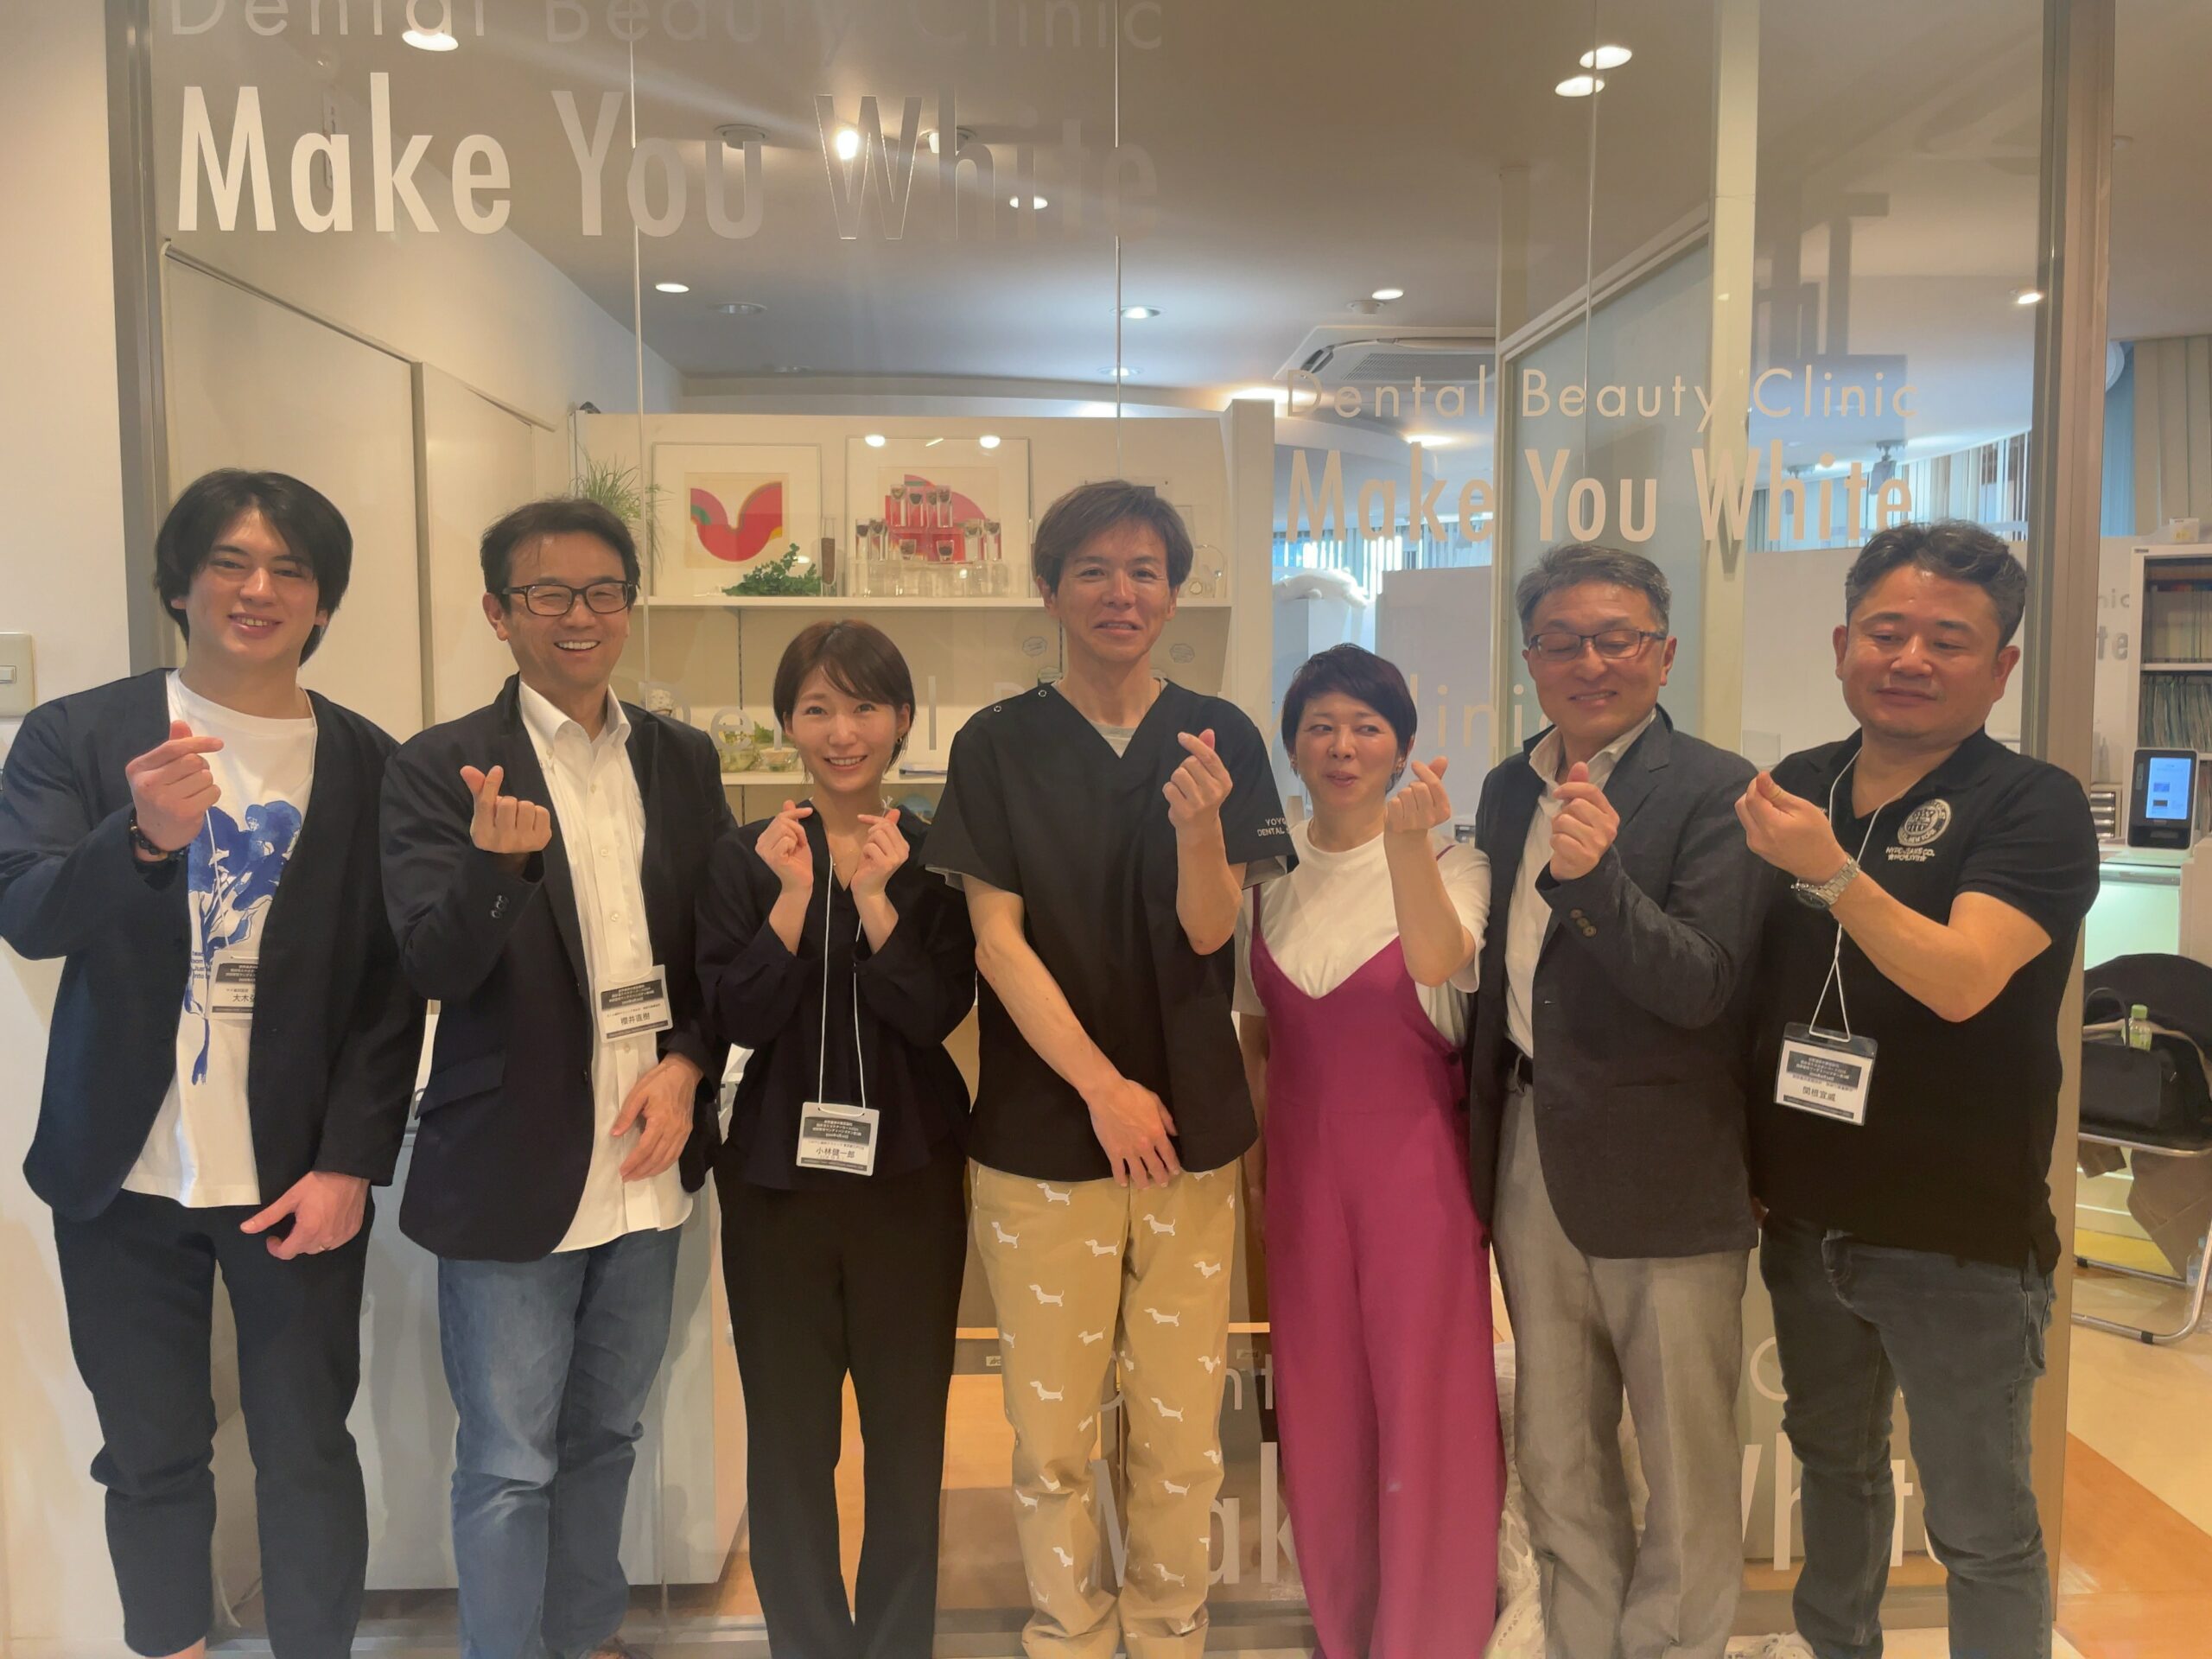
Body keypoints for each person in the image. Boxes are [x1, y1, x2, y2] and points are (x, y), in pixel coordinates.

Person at [0, 469, 423, 1659]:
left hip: (295, 1179)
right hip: (120, 1174)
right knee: (149, 1454)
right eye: (230, 561)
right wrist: (141, 840)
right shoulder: (80, 735)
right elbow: (27, 913)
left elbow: (390, 988)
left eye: (291, 569)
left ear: (324, 602)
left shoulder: (372, 762)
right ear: (179, 584)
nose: (258, 588)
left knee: (306, 1451)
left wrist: (351, 1162)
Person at [925, 480, 1292, 1658]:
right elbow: (996, 942)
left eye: (1144, 571)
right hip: (1043, 1132)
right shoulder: (996, 743)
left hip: (1191, 1131)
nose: (1120, 592)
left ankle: (1170, 1631)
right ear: (1050, 591)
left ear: (1174, 595)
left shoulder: (1220, 736)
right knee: (1052, 1436)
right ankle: (1069, 1633)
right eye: (1093, 569)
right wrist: (1103, 1089)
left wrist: (1198, 830)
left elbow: (1209, 935)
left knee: (1181, 1434)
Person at [1738, 522, 2098, 1659]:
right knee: (1833, 1475)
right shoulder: (1798, 787)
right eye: (1885, 631)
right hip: (1806, 1221)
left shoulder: (2032, 803)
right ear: (1842, 644)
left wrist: (1830, 871)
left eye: (1948, 640)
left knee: (1979, 1525)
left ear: (2001, 667)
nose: (1909, 658)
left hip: (1957, 1236)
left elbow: (1961, 980)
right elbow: (1752, 990)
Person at [379, 497, 731, 1659]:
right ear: (500, 612)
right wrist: (494, 871)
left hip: (648, 1163)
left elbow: (714, 951)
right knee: (507, 1463)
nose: (581, 616)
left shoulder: (680, 758)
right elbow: (432, 965)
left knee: (607, 1438)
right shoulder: (440, 767)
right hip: (514, 1166)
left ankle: (582, 1639)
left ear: (628, 605)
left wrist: (688, 1062)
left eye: (604, 592)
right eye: (549, 595)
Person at [1465, 542, 1765, 1659]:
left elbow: (1701, 984)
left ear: (1664, 653)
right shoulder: (1509, 788)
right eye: (1561, 642)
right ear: (1530, 659)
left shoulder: (1719, 791)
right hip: (1530, 1142)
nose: (1589, 662)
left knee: (1683, 1453)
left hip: (1667, 1163)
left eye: (1616, 639)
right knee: (1557, 1444)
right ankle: (1580, 1639)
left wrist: (1595, 885)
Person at [696, 620, 975, 1659]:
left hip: (910, 1182)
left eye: (863, 707)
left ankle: (896, 1644)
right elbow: (734, 1015)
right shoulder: (745, 855)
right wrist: (794, 901)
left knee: (908, 1440)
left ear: (901, 719)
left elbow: (934, 1011)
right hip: (774, 1187)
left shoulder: (937, 855)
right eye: (817, 708)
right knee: (788, 1441)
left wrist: (874, 900)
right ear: (786, 725)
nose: (842, 731)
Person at [1234, 644, 1499, 1659]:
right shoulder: (1264, 879)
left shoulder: (1455, 863)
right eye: (1320, 727)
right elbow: (1257, 1036)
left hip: (1418, 1179)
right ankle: (1344, 1630)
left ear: (1402, 745)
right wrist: (1256, 1175)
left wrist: (1406, 845)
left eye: (1366, 727)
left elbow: (1438, 959)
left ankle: (1429, 1639)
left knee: (1428, 1407)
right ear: (1292, 747)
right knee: (1321, 1409)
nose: (1342, 747)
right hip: (1300, 1183)